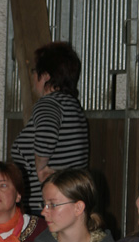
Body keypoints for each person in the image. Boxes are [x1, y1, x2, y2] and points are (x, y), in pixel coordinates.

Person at [10, 42, 89, 215]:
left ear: (45, 76)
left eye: (34, 71)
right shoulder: (72, 105)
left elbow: (46, 138)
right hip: (65, 202)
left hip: (45, 206)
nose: (33, 77)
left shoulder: (49, 103)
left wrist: (41, 169)